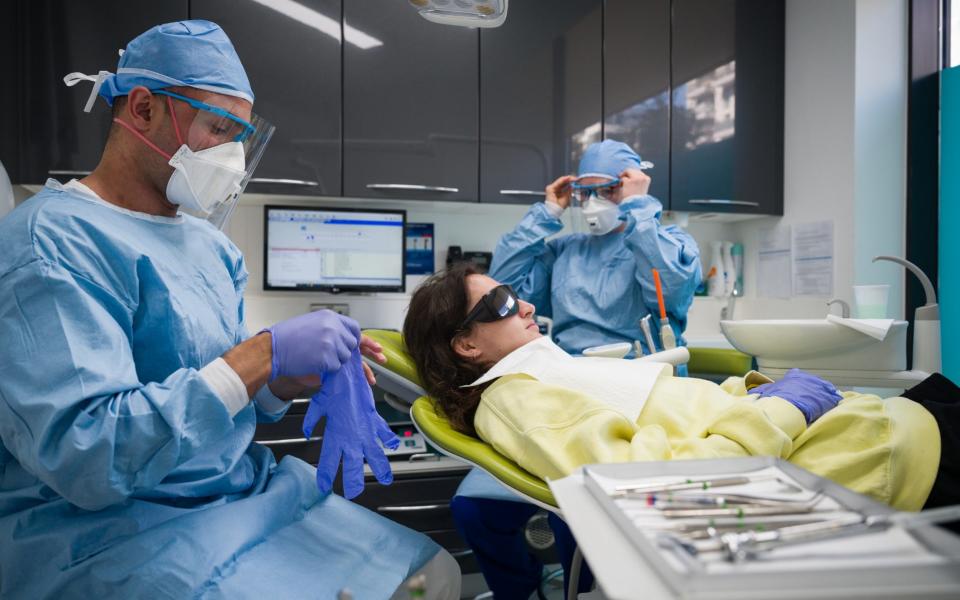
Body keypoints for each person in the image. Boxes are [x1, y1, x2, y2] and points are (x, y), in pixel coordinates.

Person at [0, 21, 458, 599]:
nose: (234, 156)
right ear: (142, 109)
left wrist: (281, 378)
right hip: (106, 531)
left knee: (429, 575)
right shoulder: (50, 243)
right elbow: (88, 456)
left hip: (242, 494)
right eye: (219, 128)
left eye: (242, 135)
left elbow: (222, 396)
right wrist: (260, 354)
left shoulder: (208, 246)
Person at [402, 263, 960, 597]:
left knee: (937, 392)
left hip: (873, 433)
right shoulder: (517, 398)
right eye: (499, 303)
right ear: (466, 345)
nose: (523, 303)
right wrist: (784, 408)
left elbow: (670, 429)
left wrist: (755, 394)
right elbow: (663, 485)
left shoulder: (536, 375)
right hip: (888, 454)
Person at [489, 139, 702, 359]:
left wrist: (639, 206)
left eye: (607, 190)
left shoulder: (670, 243)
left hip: (646, 372)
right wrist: (548, 212)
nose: (592, 202)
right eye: (585, 193)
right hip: (574, 373)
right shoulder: (564, 251)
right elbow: (502, 292)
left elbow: (671, 293)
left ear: (631, 187)